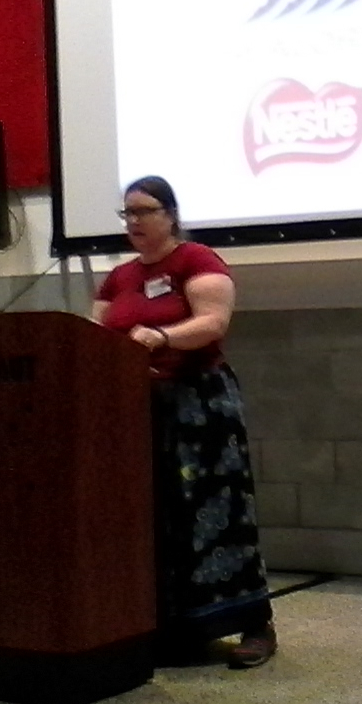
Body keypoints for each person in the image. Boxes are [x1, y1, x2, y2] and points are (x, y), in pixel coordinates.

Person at [91, 175, 276, 668]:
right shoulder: (119, 276)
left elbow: (213, 322)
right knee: (158, 518)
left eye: (143, 211)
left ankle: (255, 623)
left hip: (199, 406)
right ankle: (179, 628)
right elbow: (95, 335)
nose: (133, 222)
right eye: (126, 214)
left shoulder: (197, 260)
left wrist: (161, 336)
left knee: (217, 514)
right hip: (136, 409)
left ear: (170, 214)